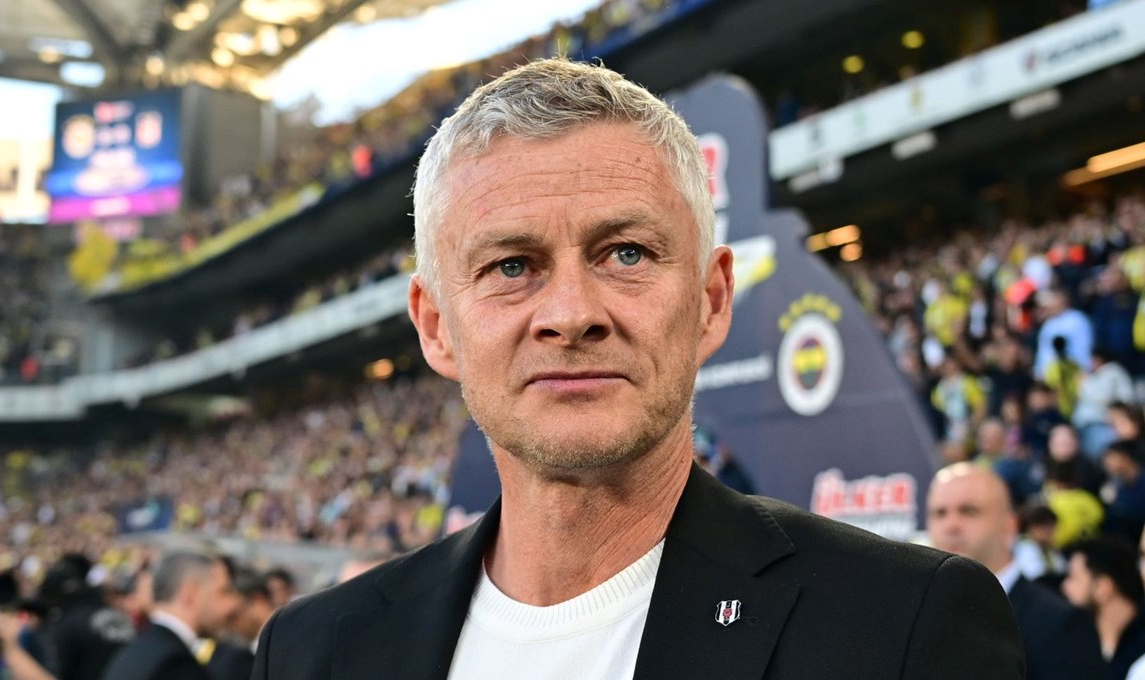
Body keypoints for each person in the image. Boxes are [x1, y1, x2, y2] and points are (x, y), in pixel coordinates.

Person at [251, 57, 1023, 679]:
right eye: (512, 265)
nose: (571, 313)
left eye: (626, 253)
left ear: (712, 301)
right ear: (434, 326)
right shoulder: (312, 651)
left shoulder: (903, 626)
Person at [926, 464, 1103, 680]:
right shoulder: (916, 618)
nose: (951, 525)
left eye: (968, 511)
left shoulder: (1061, 624)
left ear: (1009, 524)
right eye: (939, 513)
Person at [101, 551, 239, 680]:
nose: (230, 605)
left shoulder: (133, 652)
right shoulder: (175, 665)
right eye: (222, 592)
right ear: (190, 594)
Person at [1063, 538, 1145, 680]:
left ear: (1103, 587)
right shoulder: (1078, 647)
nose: (1065, 587)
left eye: (1073, 577)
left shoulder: (1138, 652)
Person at [206, 567, 275, 680]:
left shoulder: (285, 642)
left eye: (235, 615)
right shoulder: (248, 648)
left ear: (258, 601)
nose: (230, 626)